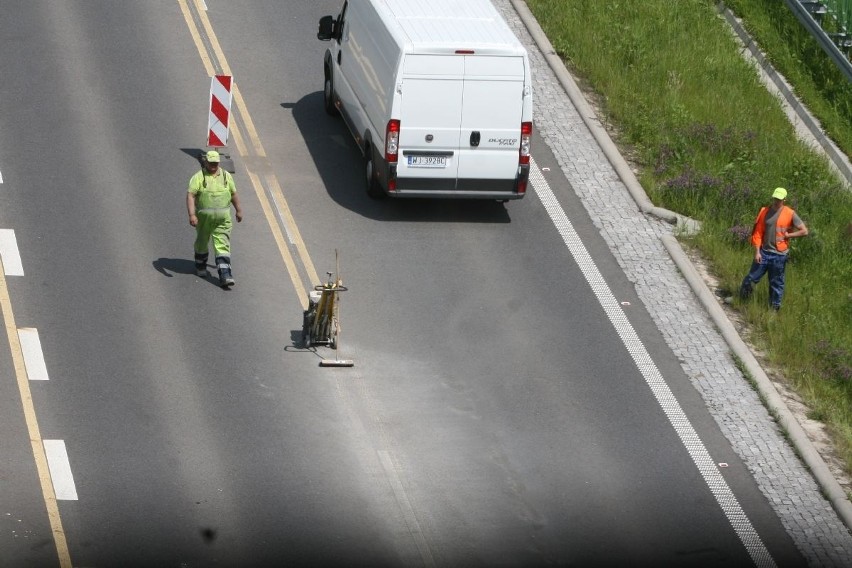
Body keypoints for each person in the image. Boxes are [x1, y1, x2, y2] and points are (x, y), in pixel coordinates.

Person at [739, 187, 808, 311]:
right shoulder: (764, 211)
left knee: (776, 284)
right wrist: (757, 252)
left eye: (779, 199)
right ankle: (741, 300)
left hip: (779, 256)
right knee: (750, 278)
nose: (776, 201)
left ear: (784, 200)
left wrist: (789, 235)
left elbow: (804, 231)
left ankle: (774, 309)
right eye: (775, 198)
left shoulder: (790, 213)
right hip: (763, 253)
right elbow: (758, 233)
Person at [187, 150, 243, 287]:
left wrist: (239, 210)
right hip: (203, 219)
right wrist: (192, 215)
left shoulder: (226, 176)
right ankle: (200, 266)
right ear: (205, 162)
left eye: (216, 163)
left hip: (222, 219)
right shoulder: (198, 177)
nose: (213, 165)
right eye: (211, 162)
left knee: (222, 244)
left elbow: (233, 193)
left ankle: (225, 275)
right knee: (202, 241)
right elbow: (190, 195)